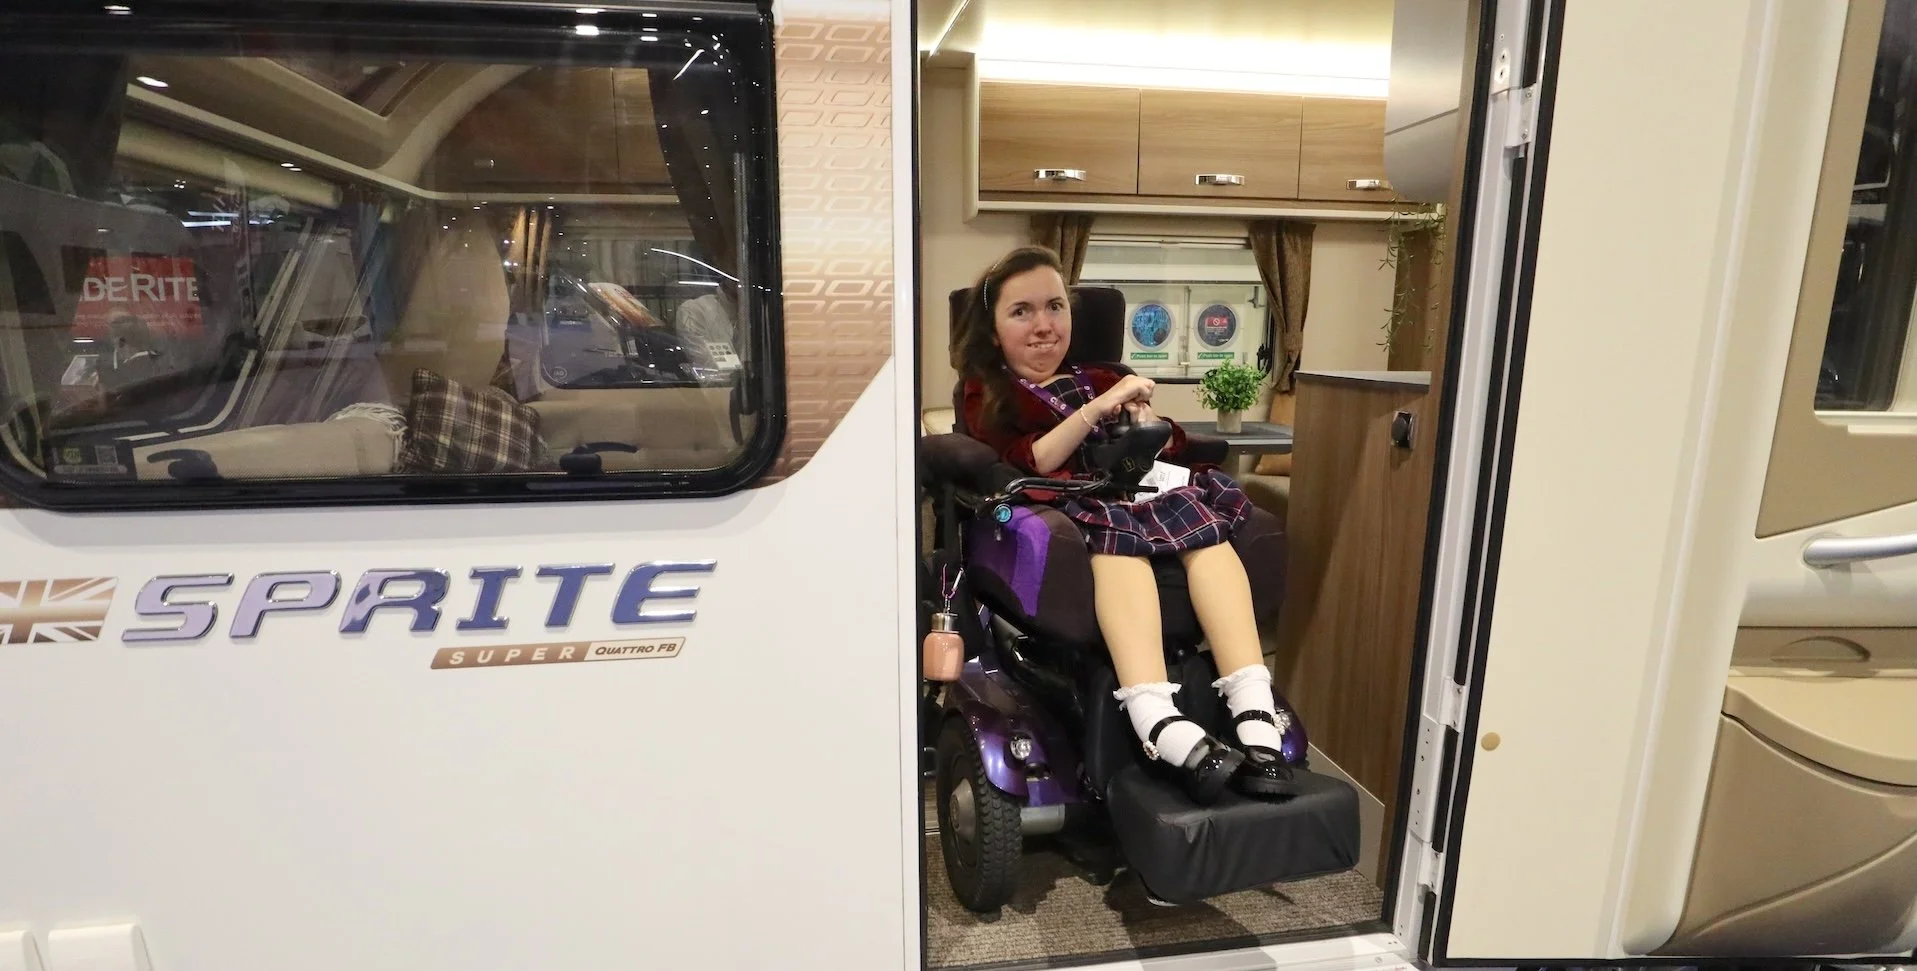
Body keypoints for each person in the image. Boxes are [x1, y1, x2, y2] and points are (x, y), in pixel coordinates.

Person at [954, 245, 1300, 805]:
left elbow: (1176, 443)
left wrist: (1146, 423)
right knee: (1121, 546)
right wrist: (1096, 411)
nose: (1044, 325)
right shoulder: (989, 391)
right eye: (1022, 312)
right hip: (1073, 501)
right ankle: (1156, 722)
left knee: (1209, 541)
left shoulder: (1101, 374)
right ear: (993, 330)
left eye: (1056, 307)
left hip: (1143, 491)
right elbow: (1029, 459)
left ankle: (1255, 719)